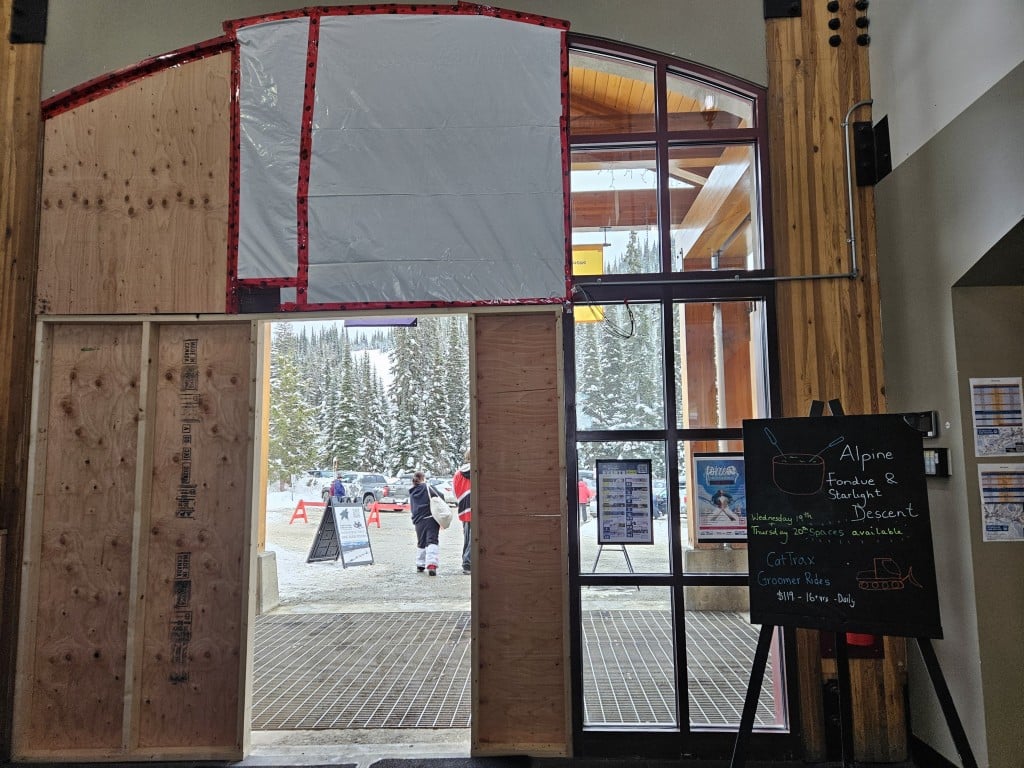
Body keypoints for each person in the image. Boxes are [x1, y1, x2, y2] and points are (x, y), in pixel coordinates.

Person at [409, 471, 441, 575]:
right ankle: (431, 565)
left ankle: (420, 564)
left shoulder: (412, 491)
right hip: (431, 518)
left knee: (421, 541)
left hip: (418, 520)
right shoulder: (427, 488)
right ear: (423, 478)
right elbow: (440, 496)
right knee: (432, 541)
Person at [453, 450, 472, 574]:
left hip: (464, 509)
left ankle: (466, 562)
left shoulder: (458, 474)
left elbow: (455, 493)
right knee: (474, 538)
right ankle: (468, 563)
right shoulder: (479, 471)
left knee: (467, 537)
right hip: (476, 507)